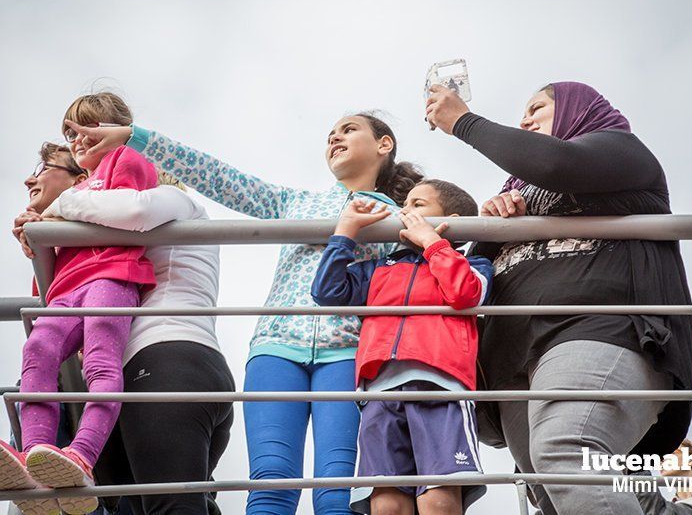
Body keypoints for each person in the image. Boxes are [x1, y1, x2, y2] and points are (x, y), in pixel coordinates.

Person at [63, 113, 423, 514]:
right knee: (270, 483)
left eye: (349, 129)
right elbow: (218, 177)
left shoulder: (402, 217)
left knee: (336, 486)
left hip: (350, 354)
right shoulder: (296, 202)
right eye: (330, 134)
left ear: (383, 145)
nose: (335, 137)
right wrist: (135, 137)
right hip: (275, 350)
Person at [426, 81, 692, 514]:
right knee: (550, 491)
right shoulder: (519, 191)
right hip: (512, 359)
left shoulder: (624, 151)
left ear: (576, 110)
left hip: (600, 330)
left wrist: (462, 121)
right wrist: (495, 228)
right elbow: (477, 279)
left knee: (565, 451)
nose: (525, 119)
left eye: (538, 108)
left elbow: (557, 164)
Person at [45, 166, 234, 515]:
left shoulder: (178, 203)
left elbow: (135, 210)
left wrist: (58, 204)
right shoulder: (138, 237)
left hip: (168, 360)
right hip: (167, 367)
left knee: (172, 507)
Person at [2, 93, 158, 515]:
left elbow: (127, 209)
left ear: (116, 128)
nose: (78, 138)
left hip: (111, 275)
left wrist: (55, 216)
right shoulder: (71, 192)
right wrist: (37, 230)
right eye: (70, 131)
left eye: (89, 126)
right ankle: (36, 456)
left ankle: (83, 454)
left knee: (100, 363)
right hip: (67, 288)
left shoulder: (125, 161)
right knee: (37, 350)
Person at [311, 179, 493, 515]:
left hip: (442, 387)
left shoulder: (474, 265)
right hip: (380, 390)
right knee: (387, 504)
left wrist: (433, 244)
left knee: (438, 498)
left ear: (450, 220)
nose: (404, 211)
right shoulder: (380, 268)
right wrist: (345, 234)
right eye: (404, 204)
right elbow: (327, 291)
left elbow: (465, 294)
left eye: (417, 204)